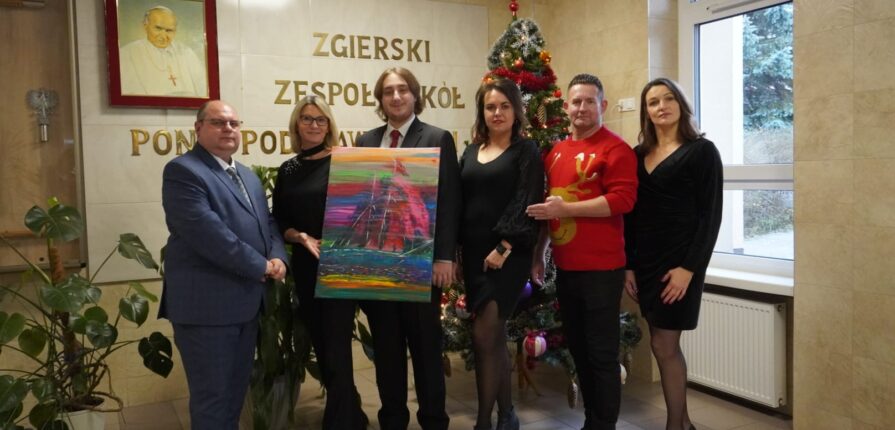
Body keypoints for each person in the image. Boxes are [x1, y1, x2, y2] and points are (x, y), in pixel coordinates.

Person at [159, 100, 288, 430]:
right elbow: (209, 235)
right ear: (198, 128)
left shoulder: (246, 175)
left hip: (245, 304)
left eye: (233, 123)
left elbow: (267, 223)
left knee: (233, 396)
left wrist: (277, 256)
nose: (228, 129)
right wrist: (262, 266)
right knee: (213, 401)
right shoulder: (184, 171)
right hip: (207, 309)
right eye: (218, 122)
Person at [526, 73, 638, 430]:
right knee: (579, 351)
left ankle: (603, 424)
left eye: (590, 101)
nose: (582, 108)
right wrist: (540, 253)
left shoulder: (615, 149)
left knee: (601, 355)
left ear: (602, 105)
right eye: (576, 101)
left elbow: (623, 200)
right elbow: (551, 210)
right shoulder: (556, 152)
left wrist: (568, 209)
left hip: (602, 271)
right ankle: (593, 420)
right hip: (567, 269)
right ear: (566, 106)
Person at [356, 66, 461, 430]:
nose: (396, 96)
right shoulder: (366, 141)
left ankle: (433, 420)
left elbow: (449, 201)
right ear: (380, 99)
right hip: (378, 265)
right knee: (386, 351)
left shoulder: (437, 137)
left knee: (426, 350)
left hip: (422, 263)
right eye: (388, 91)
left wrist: (444, 256)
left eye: (403, 89)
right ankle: (393, 420)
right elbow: (359, 201)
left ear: (415, 95)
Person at [623, 78, 723, 430]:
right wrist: (629, 266)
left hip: (680, 265)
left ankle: (675, 425)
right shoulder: (637, 155)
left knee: (665, 345)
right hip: (646, 264)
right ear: (646, 111)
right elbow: (631, 216)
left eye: (668, 99)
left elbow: (710, 217)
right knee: (660, 343)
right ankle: (684, 423)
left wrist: (688, 269)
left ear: (681, 104)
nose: (661, 106)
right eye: (653, 102)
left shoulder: (702, 151)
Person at [271, 95, 368, 429]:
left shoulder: (344, 161)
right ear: (297, 125)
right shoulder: (288, 170)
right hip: (306, 265)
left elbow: (365, 212)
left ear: (329, 126)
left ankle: (340, 422)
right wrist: (300, 237)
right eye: (307, 118)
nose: (314, 124)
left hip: (340, 266)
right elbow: (279, 220)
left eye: (320, 119)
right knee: (323, 346)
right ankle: (353, 415)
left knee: (337, 345)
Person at [460, 78, 544, 430]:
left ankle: (484, 422)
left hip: (508, 256)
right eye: (490, 107)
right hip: (473, 257)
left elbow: (528, 200)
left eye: (504, 106)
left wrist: (504, 247)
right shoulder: (470, 152)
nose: (497, 113)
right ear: (482, 112)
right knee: (492, 340)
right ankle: (507, 415)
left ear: (516, 111)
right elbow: (461, 202)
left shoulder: (526, 151)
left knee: (484, 337)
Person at [120, 6, 207, 97]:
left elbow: (203, 89)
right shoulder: (127, 54)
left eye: (169, 30)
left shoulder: (187, 53)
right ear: (145, 26)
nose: (163, 36)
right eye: (158, 28)